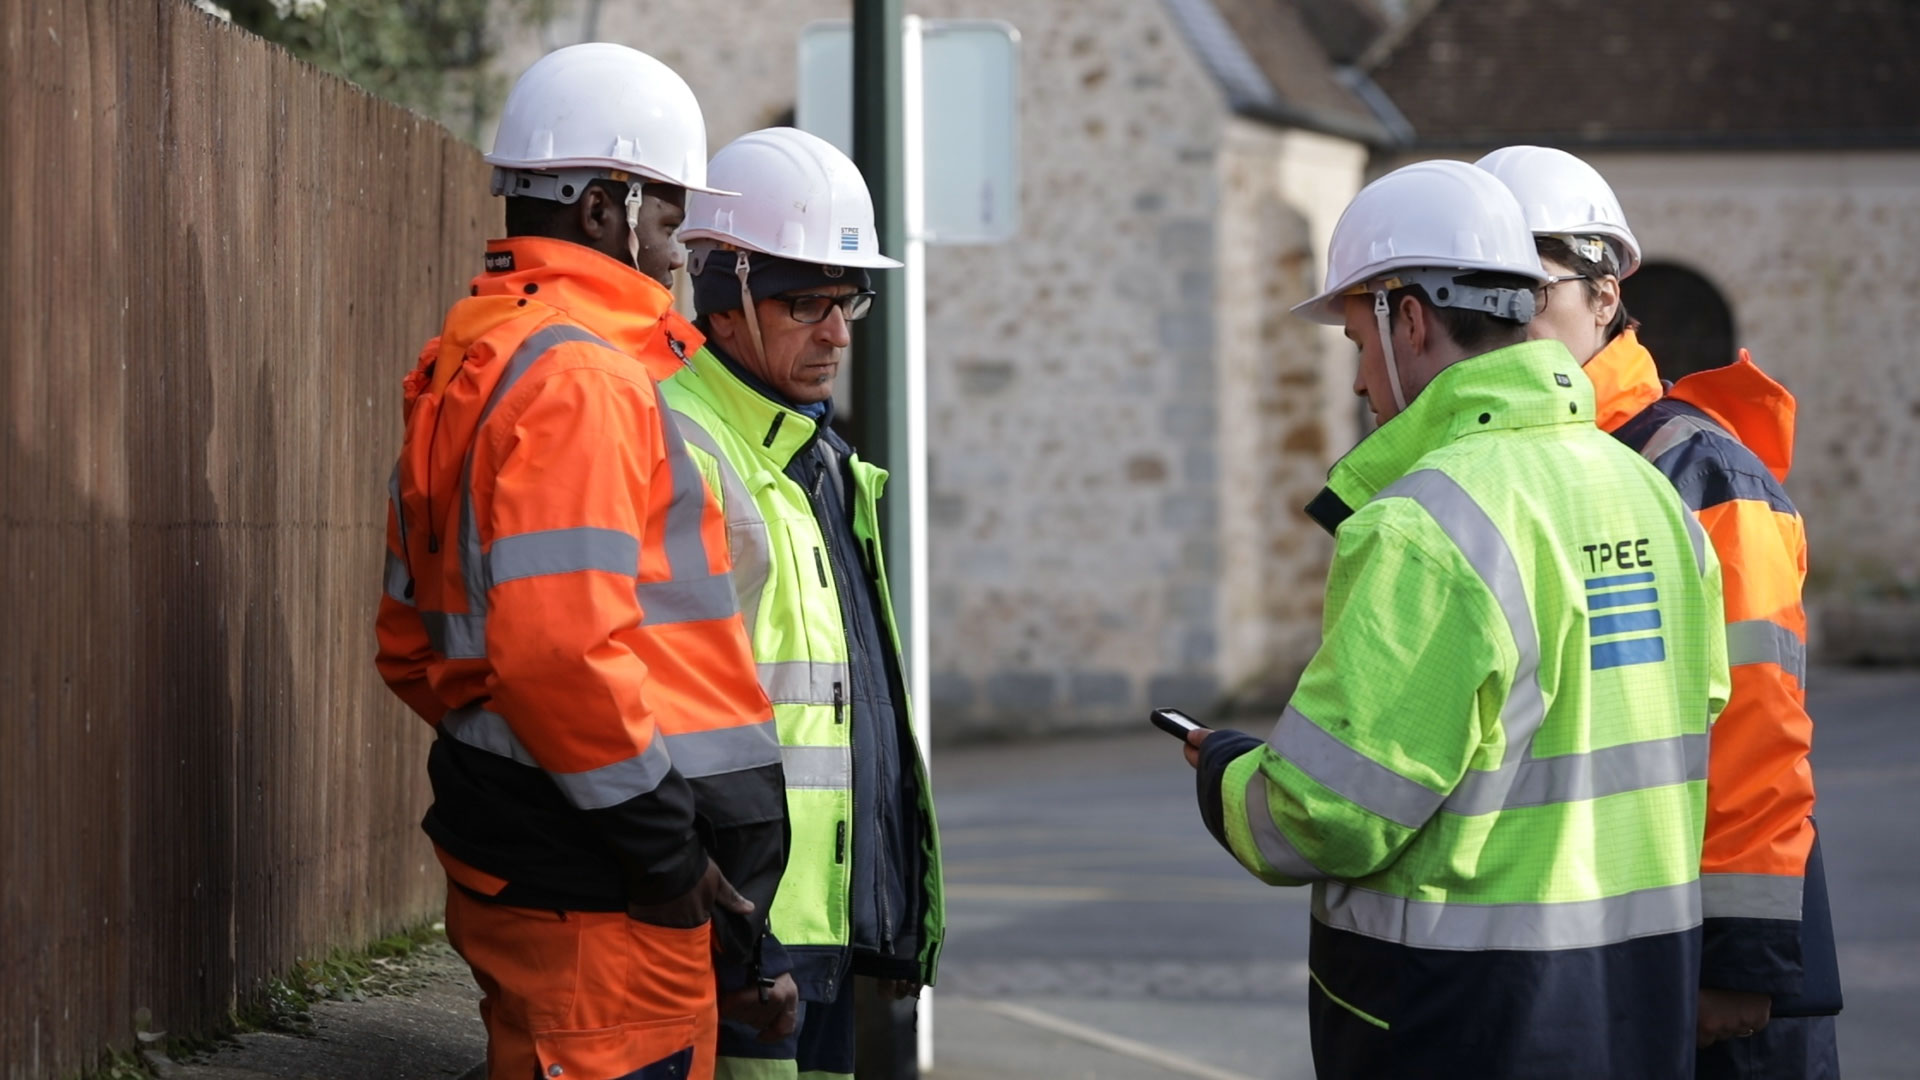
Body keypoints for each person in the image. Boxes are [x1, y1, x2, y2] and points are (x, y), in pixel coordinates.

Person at [1185, 159, 1730, 1078]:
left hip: (1468, 1015)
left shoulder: (1427, 524)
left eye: (1359, 338)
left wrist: (1229, 778)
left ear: (1410, 317)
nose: (1361, 381)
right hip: (1642, 1002)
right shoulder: (1652, 495)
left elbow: (1326, 817)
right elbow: (1698, 707)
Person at [373, 44, 792, 1080]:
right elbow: (560, 651)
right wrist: (660, 850)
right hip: (604, 884)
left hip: (556, 852)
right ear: (602, 207)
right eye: (666, 214)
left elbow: (414, 646)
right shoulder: (586, 379)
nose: (680, 248)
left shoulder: (475, 358)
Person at [1478, 144, 1841, 1079]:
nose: (1508, 322)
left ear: (1605, 295)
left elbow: (1759, 723)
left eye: (1533, 289)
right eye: (1485, 294)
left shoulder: (1698, 469)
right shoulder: (1521, 468)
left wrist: (1740, 958)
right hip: (1607, 941)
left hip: (1720, 977)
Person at [662, 126, 944, 1080]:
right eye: (805, 302)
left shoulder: (816, 456)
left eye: (848, 299)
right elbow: (669, 724)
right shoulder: (690, 446)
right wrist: (742, 944)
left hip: (822, 939)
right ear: (723, 294)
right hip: (748, 949)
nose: (837, 331)